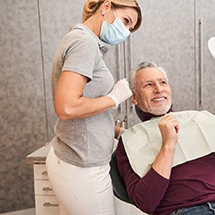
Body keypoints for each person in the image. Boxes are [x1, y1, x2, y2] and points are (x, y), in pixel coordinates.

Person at [115, 61, 215, 215]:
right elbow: (145, 202)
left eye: (163, 82)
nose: (158, 89)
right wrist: (168, 145)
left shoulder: (196, 119)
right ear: (134, 98)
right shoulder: (129, 142)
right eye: (148, 85)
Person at [45, 1, 142, 214]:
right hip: (82, 168)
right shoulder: (84, 44)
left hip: (72, 159)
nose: (125, 32)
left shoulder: (84, 40)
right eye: (126, 21)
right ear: (106, 6)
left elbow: (86, 111)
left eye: (130, 29)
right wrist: (114, 98)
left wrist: (119, 132)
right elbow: (67, 107)